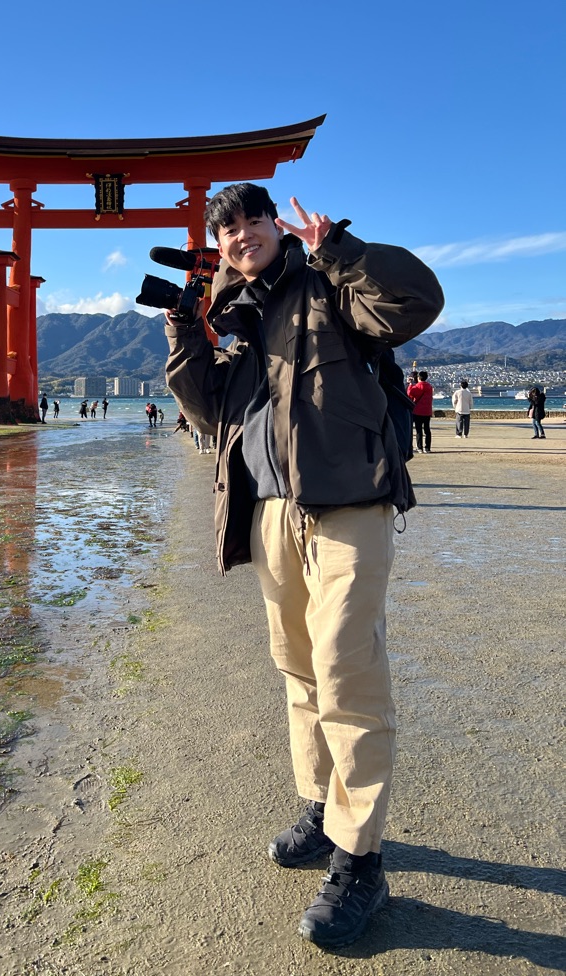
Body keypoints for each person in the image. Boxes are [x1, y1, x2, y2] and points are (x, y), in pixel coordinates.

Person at [164, 183, 442, 949]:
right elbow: (206, 411)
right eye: (227, 228)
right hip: (272, 513)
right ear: (217, 247)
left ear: (276, 229)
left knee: (348, 668)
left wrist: (339, 251)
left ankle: (361, 861)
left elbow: (414, 303)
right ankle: (322, 808)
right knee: (299, 671)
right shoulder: (236, 318)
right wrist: (184, 331)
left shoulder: (329, 283)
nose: (241, 233)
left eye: (253, 218)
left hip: (349, 501)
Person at [407, 370, 434, 453]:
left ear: (418, 378)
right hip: (427, 411)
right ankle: (428, 448)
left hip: (418, 411)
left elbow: (410, 393)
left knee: (419, 430)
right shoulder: (429, 387)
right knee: (427, 430)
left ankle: (420, 447)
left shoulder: (418, 386)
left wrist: (410, 384)